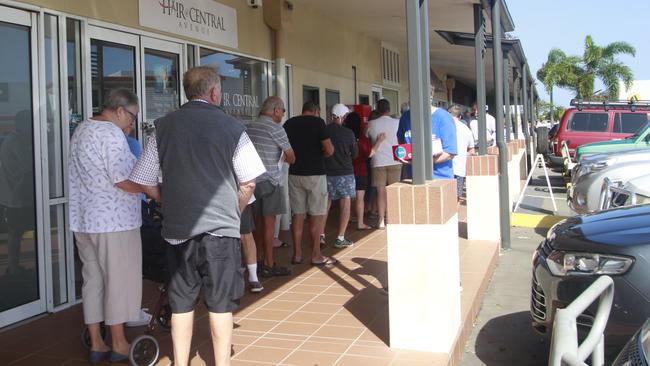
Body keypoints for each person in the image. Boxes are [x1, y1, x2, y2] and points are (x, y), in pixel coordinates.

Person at [128, 66, 265, 366]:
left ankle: (180, 362)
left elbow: (144, 180)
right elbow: (250, 181)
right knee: (220, 306)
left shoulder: (162, 127)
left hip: (178, 231)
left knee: (180, 305)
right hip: (221, 233)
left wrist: (170, 200)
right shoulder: (232, 127)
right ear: (214, 92)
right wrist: (234, 209)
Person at [68, 89, 154, 363]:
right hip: (114, 222)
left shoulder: (82, 129)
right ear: (119, 110)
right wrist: (156, 193)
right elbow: (123, 180)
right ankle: (118, 342)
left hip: (85, 220)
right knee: (118, 281)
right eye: (132, 116)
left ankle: (97, 342)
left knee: (93, 281)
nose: (132, 124)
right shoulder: (111, 134)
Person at [245, 96, 295, 278]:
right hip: (270, 182)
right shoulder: (276, 129)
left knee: (256, 224)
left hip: (251, 183)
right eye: (282, 111)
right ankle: (268, 263)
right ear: (275, 111)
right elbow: (291, 156)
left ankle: (256, 260)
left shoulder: (249, 126)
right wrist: (283, 159)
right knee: (268, 225)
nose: (282, 115)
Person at [283, 102, 337, 266]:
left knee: (298, 215)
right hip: (316, 174)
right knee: (317, 215)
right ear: (316, 111)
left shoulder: (289, 123)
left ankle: (297, 254)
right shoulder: (318, 123)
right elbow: (329, 150)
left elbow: (284, 149)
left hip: (294, 174)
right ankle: (316, 255)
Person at [323, 104, 358, 248]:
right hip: (345, 172)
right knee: (345, 202)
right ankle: (340, 238)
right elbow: (355, 154)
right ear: (343, 117)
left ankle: (321, 235)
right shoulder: (348, 133)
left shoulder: (324, 130)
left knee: (326, 203)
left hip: (326, 172)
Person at [345, 111, 385, 230]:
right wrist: (379, 141)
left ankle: (349, 218)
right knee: (360, 198)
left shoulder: (346, 135)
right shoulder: (362, 138)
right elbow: (370, 154)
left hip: (347, 170)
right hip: (360, 171)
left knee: (347, 198)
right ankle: (360, 222)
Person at [365, 99, 400, 229]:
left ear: (377, 109)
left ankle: (380, 221)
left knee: (380, 192)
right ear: (389, 109)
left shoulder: (371, 124)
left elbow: (365, 136)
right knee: (392, 191)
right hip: (395, 159)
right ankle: (391, 218)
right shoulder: (397, 122)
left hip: (378, 161)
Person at [448, 104, 475, 197]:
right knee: (456, 197)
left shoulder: (443, 127)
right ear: (460, 116)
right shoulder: (466, 129)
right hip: (459, 169)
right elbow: (472, 151)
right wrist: (462, 154)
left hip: (443, 168)